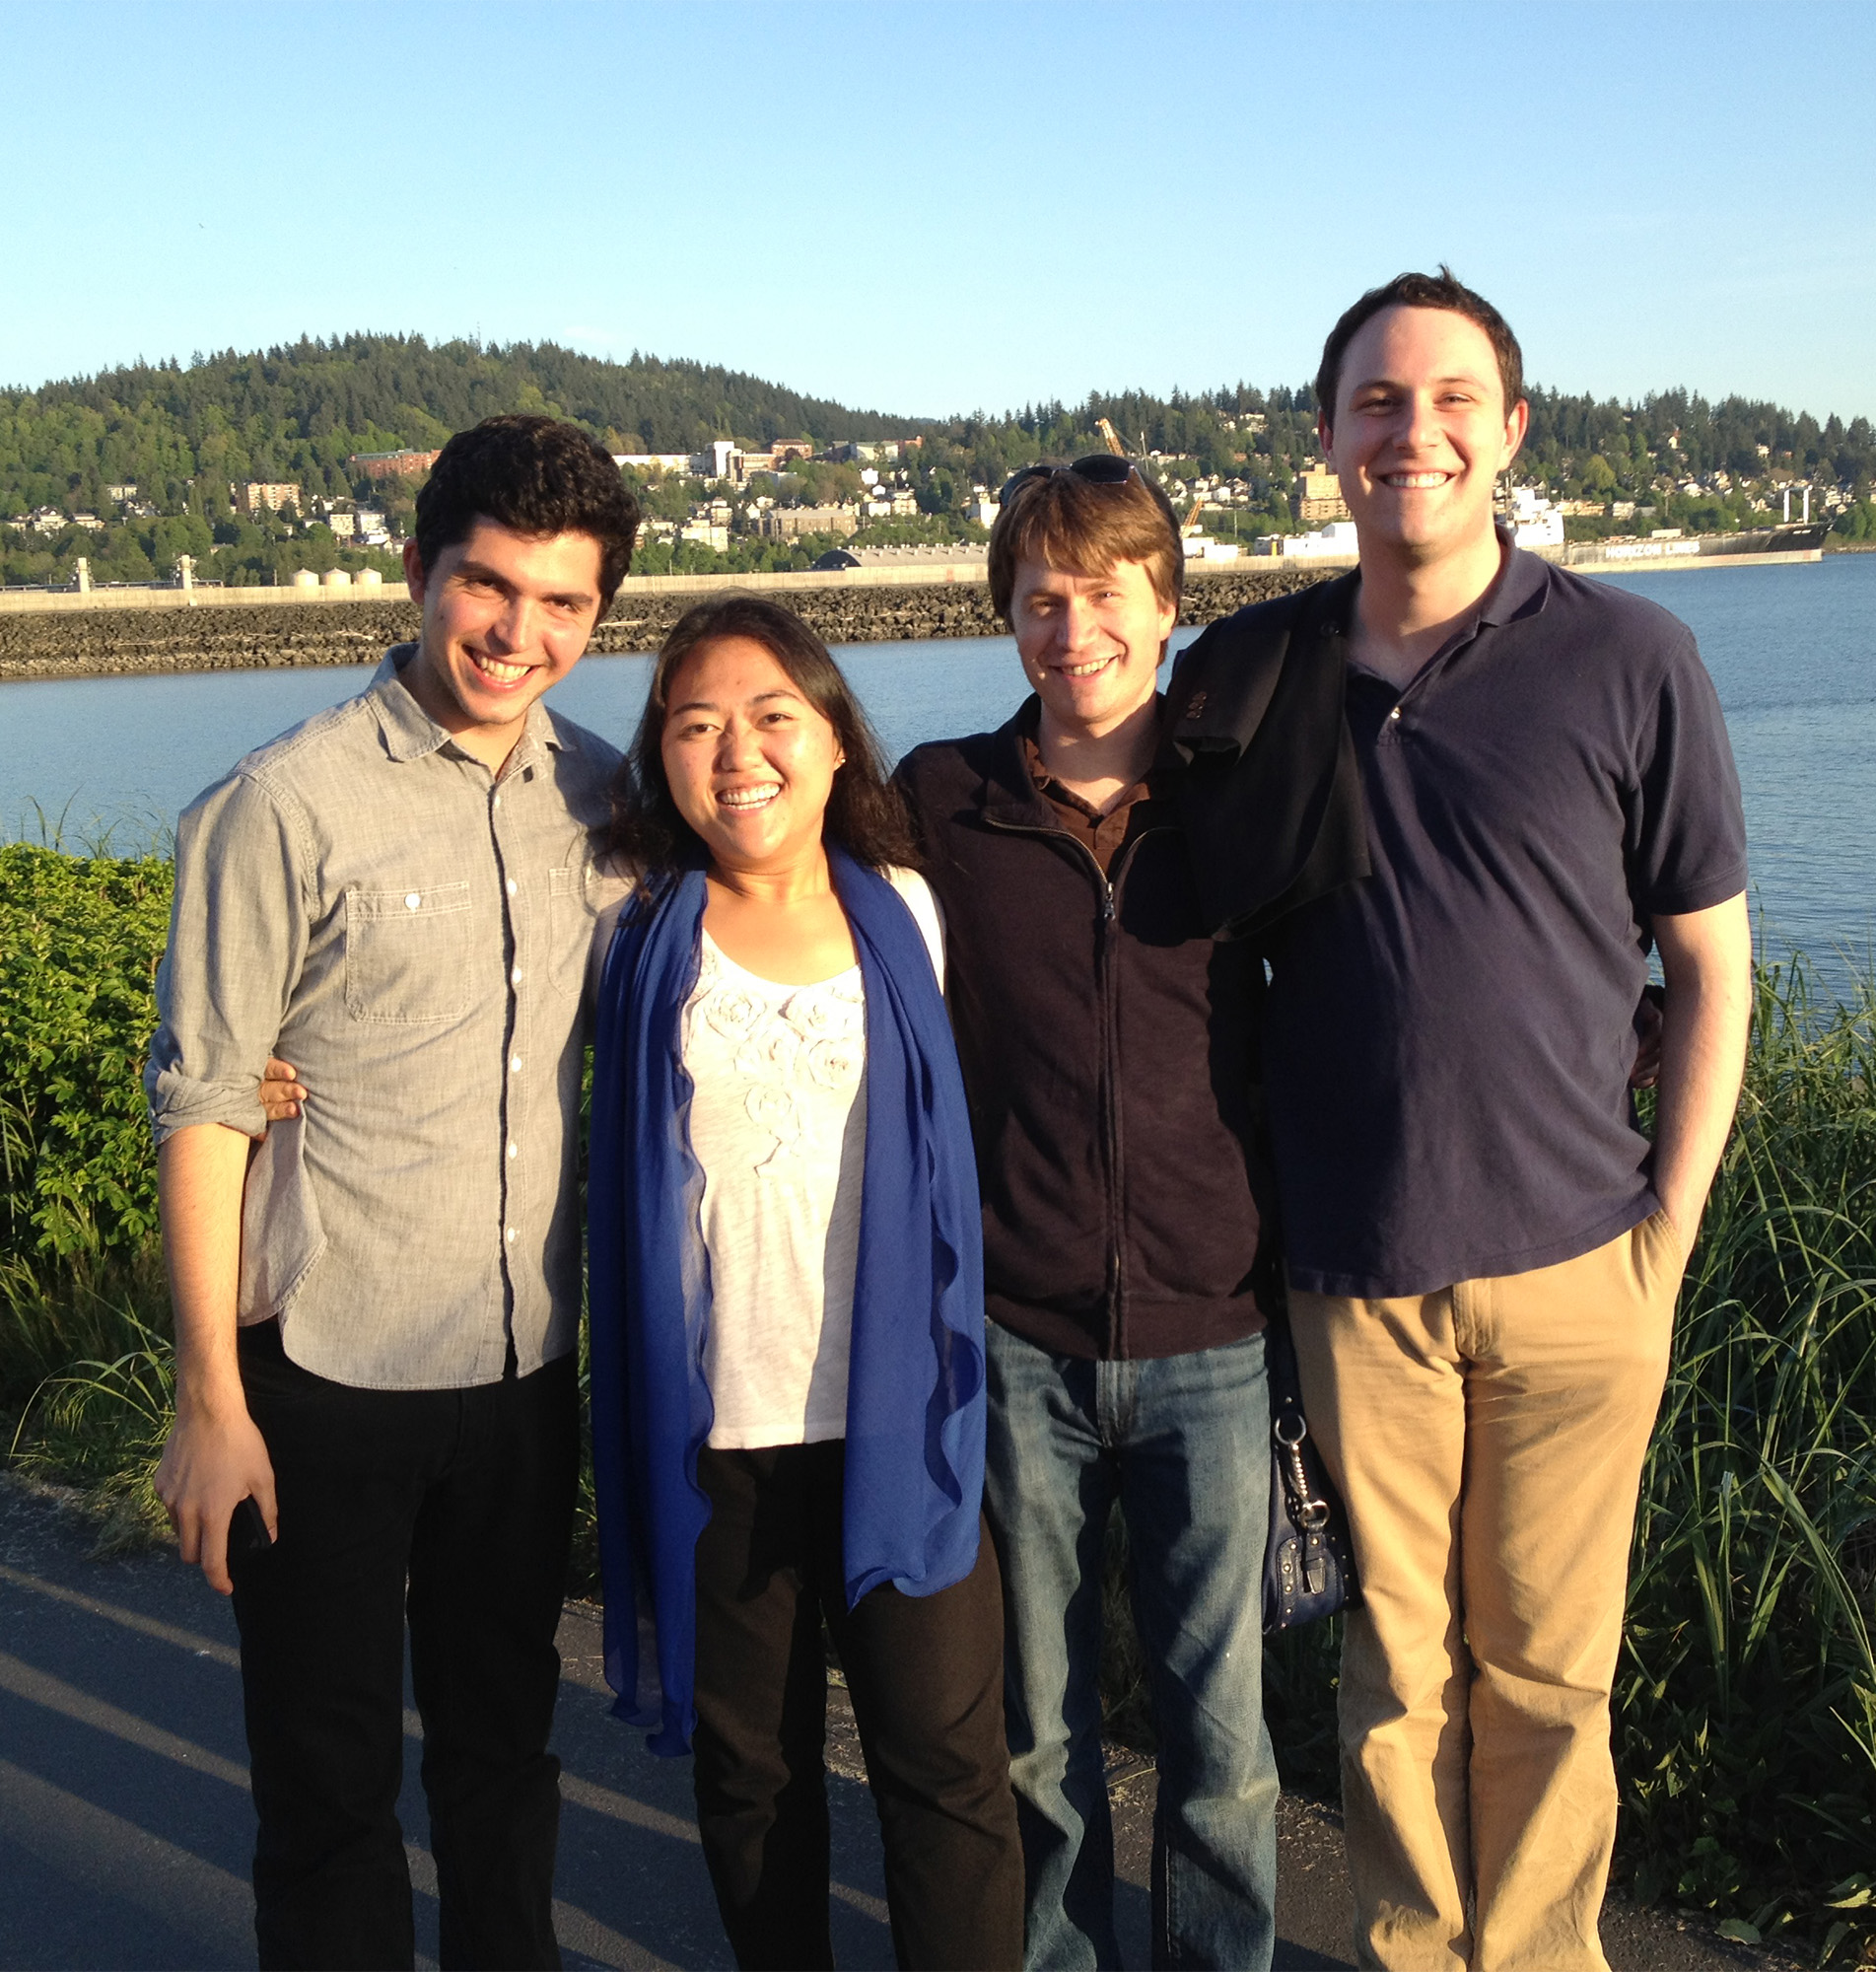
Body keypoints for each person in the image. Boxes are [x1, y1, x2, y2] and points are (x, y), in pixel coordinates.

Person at [1170, 269, 1754, 1969]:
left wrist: (1667, 1244)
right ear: (1329, 439)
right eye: (1373, 402)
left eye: (1446, 403)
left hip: (1585, 1266)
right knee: (1395, 1672)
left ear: (1507, 432)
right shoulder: (1254, 675)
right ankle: (1420, 1956)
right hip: (1354, 1273)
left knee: (1554, 1678)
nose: (1407, 433)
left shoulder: (1632, 658)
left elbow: (1713, 969)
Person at [146, 414, 640, 1970]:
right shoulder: (279, 806)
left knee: (505, 1763)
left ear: (600, 617)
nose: (520, 634)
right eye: (491, 587)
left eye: (564, 606)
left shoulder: (609, 798)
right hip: (323, 1373)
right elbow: (206, 1103)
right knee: (328, 1787)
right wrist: (208, 1398)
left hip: (517, 1371)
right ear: (422, 571)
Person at [893, 460, 1353, 1970]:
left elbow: (1395, 958)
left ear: (1167, 605)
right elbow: (766, 905)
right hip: (1015, 1336)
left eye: (1103, 591)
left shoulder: (1237, 810)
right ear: (1006, 619)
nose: (1069, 624)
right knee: (1039, 1738)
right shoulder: (942, 803)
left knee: (1224, 1750)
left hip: (1213, 1336)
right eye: (1039, 596)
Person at [585, 596, 1023, 1971]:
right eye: (697, 724)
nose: (737, 753)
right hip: (719, 1438)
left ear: (836, 740)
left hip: (907, 1417)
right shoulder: (632, 929)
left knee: (946, 1777)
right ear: (661, 755)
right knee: (752, 1778)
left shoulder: (903, 915)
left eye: (774, 716)